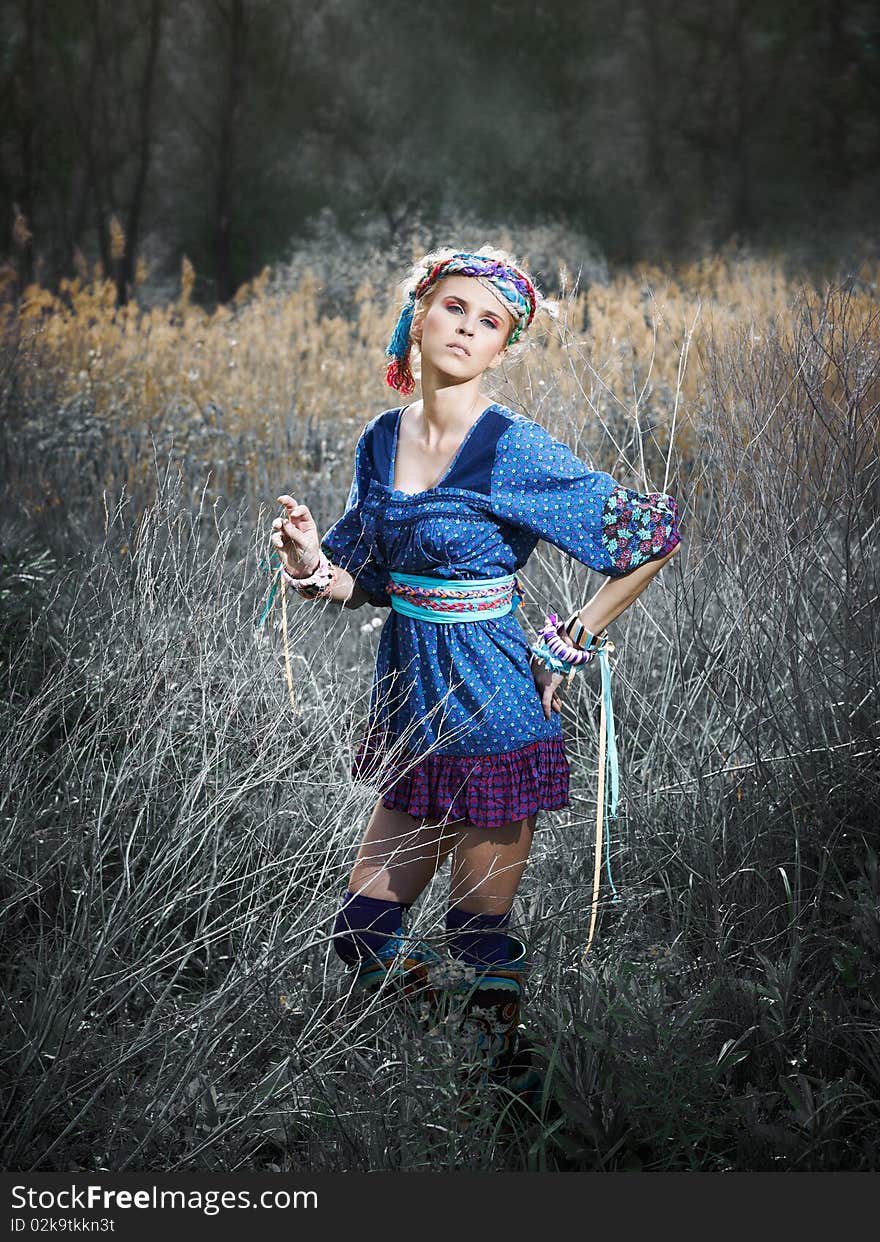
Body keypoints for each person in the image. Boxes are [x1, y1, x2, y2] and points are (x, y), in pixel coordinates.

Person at [269, 247, 682, 1087]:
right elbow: (367, 582)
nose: (466, 327)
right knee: (360, 937)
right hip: (411, 719)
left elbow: (650, 538)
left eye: (488, 321)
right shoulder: (381, 439)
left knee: (475, 941)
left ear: (504, 347)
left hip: (494, 715)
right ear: (417, 317)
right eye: (453, 308)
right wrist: (315, 562)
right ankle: (436, 1050)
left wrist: (570, 641)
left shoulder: (513, 448)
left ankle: (510, 1100)